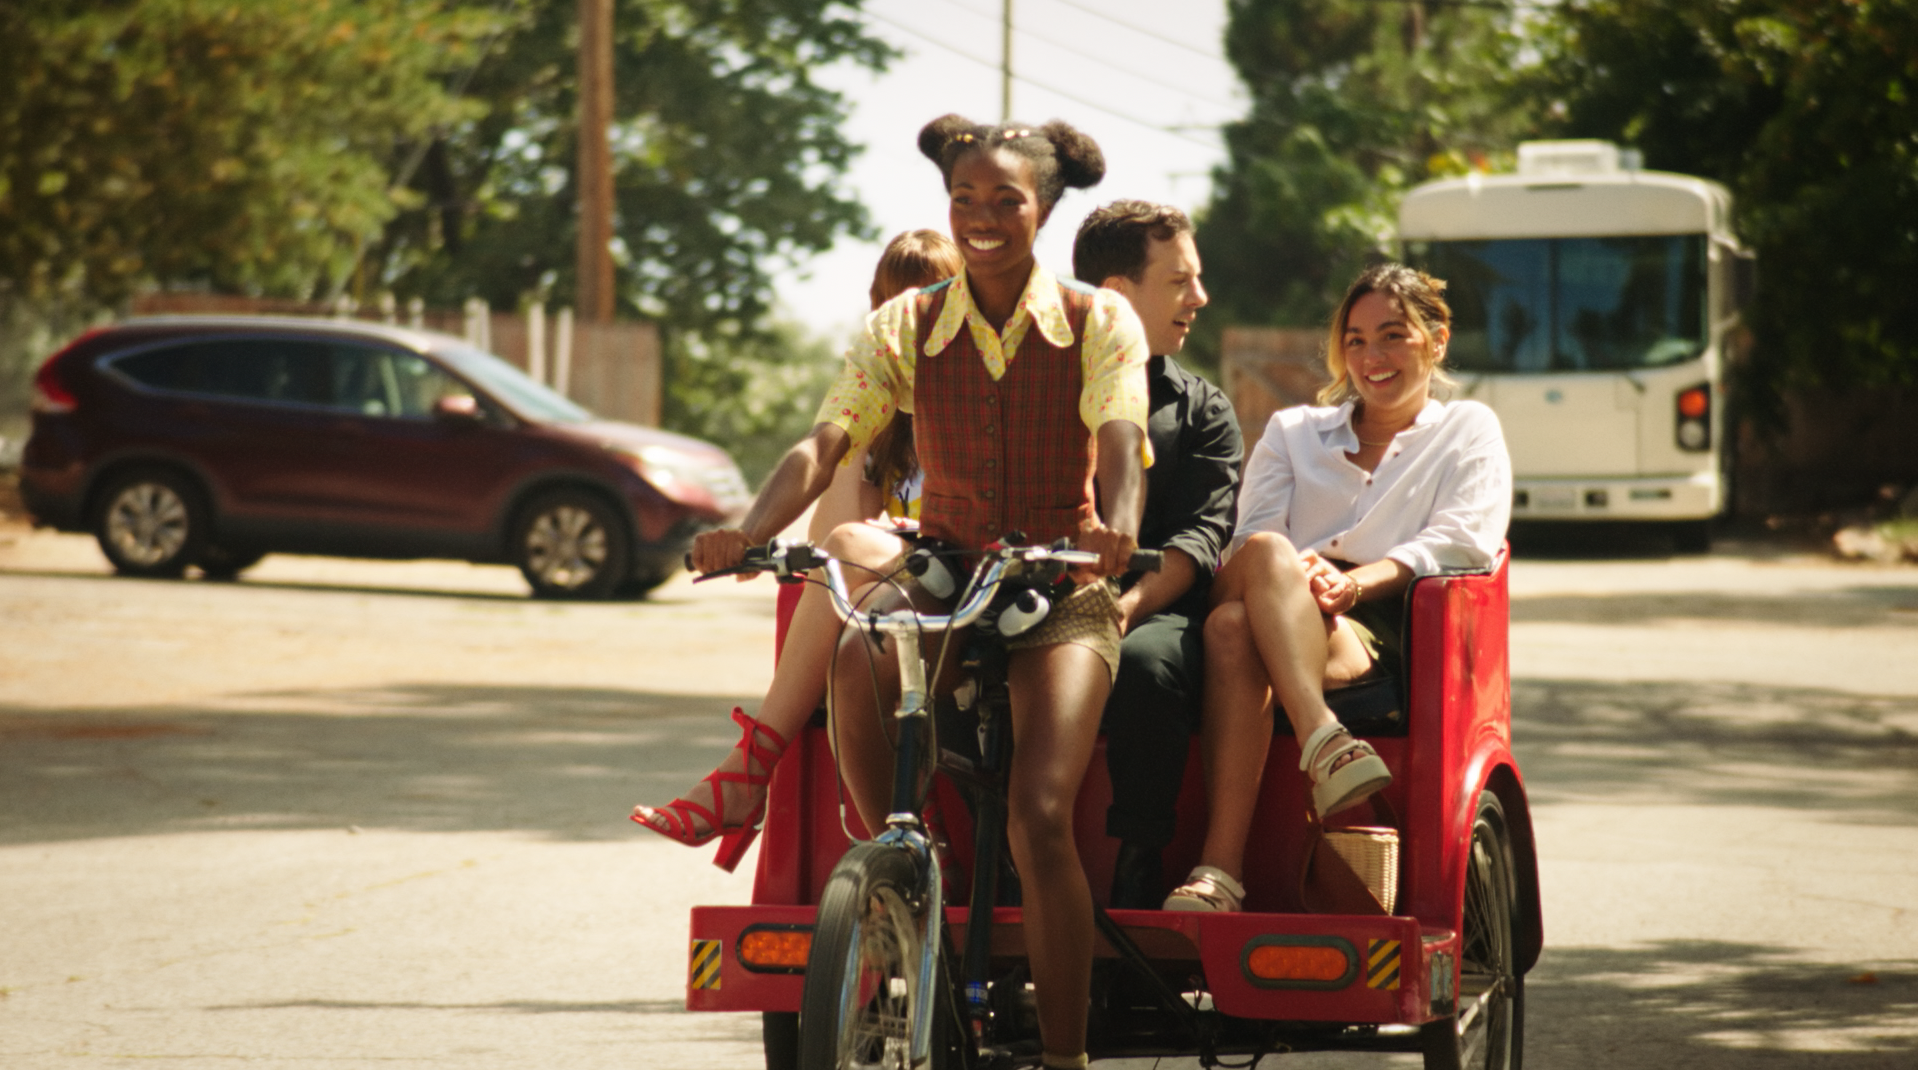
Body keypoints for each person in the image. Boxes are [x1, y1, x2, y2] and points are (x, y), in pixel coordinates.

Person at [692, 114, 1150, 1070]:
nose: (982, 217)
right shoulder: (905, 322)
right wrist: (750, 527)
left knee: (1038, 813)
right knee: (862, 649)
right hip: (946, 557)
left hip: (1058, 577)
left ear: (1046, 209)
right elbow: (824, 443)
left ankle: (1064, 1056)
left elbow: (1117, 436)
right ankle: (891, 866)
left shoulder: (1095, 318)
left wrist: (1117, 525)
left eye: (1006, 201)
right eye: (964, 200)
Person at [1163, 263, 1511, 913]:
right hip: (1272, 581)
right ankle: (1323, 736)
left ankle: (1219, 873)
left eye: (1392, 336)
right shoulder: (1295, 433)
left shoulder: (1467, 429)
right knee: (1264, 556)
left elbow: (1465, 537)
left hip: (1369, 623)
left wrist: (1355, 584)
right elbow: (1253, 536)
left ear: (1436, 341)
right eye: (1354, 340)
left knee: (1231, 632)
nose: (1371, 357)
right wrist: (1301, 570)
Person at [631, 230, 964, 871]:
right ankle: (908, 857)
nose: (907, 321)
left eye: (927, 303)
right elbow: (822, 502)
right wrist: (752, 533)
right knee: (848, 651)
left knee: (846, 558)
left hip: (977, 578)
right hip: (903, 590)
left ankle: (747, 773)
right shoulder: (875, 397)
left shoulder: (992, 377)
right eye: (892, 302)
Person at [1068, 201, 1242, 910]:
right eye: (1179, 281)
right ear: (1116, 293)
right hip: (1040, 600)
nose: (1199, 298)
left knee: (1145, 664)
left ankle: (1137, 863)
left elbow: (1203, 537)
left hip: (1160, 614)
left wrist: (1126, 609)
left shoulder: (1203, 409)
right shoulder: (1037, 387)